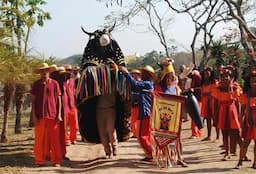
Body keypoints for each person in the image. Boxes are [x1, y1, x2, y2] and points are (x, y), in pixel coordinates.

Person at [154, 58, 188, 167]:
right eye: (169, 76)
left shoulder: (176, 88)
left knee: (178, 138)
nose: (171, 78)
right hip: (163, 117)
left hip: (175, 117)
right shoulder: (159, 88)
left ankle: (179, 157)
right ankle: (167, 158)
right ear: (165, 77)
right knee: (165, 138)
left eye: (172, 76)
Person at [119, 65, 155, 162]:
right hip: (145, 112)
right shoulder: (146, 84)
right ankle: (149, 154)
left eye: (143, 73)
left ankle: (152, 154)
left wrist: (126, 73)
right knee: (144, 136)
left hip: (145, 113)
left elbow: (134, 84)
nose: (141, 74)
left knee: (142, 136)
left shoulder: (147, 84)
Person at [31, 63, 62, 167]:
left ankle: (56, 160)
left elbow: (59, 100)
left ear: (49, 71)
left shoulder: (55, 83)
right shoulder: (36, 85)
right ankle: (39, 160)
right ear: (40, 72)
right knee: (39, 140)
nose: (44, 72)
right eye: (42, 71)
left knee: (54, 140)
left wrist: (59, 114)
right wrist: (34, 116)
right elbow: (33, 102)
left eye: (46, 70)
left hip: (52, 116)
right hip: (40, 117)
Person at [211, 66, 241, 161]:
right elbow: (215, 102)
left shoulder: (235, 87)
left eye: (227, 76)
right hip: (222, 111)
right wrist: (215, 115)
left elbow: (237, 102)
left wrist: (239, 116)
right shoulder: (218, 88)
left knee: (236, 133)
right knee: (224, 132)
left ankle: (241, 152)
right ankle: (227, 152)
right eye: (223, 76)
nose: (225, 78)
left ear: (230, 77)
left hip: (232, 111)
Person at [235, 70, 256, 169]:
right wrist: (241, 122)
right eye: (252, 81)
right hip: (248, 123)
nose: (254, 83)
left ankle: (255, 163)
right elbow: (242, 110)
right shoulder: (245, 95)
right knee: (245, 144)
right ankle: (240, 162)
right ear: (249, 82)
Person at [64, 65, 79, 145]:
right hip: (65, 106)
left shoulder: (73, 81)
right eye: (67, 70)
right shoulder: (61, 81)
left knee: (74, 124)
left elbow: (74, 92)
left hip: (72, 105)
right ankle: (66, 140)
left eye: (70, 70)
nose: (68, 71)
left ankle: (73, 138)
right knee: (65, 125)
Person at [130, 69, 142, 138]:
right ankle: (135, 133)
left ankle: (138, 133)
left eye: (135, 74)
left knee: (138, 119)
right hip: (134, 103)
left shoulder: (141, 83)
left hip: (140, 103)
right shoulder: (132, 83)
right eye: (132, 74)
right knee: (134, 120)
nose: (133, 75)